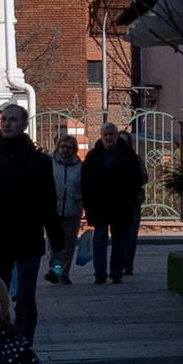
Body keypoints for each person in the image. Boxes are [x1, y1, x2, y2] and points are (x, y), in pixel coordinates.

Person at [0, 99, 54, 335]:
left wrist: (58, 241)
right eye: (4, 120)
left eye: (13, 120)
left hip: (29, 238)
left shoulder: (40, 162)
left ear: (24, 124)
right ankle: (1, 339)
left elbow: (48, 202)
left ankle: (23, 344)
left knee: (25, 295)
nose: (6, 124)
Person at [80, 123, 144, 287]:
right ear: (101, 136)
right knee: (99, 240)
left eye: (111, 135)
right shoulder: (93, 155)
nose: (108, 138)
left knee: (119, 241)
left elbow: (136, 179)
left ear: (116, 136)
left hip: (121, 205)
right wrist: (87, 205)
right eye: (105, 135)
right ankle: (100, 273)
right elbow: (85, 182)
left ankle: (116, 272)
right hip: (99, 206)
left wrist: (130, 199)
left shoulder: (127, 155)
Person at [45, 128, 84, 287]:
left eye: (68, 147)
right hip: (52, 210)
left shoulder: (79, 166)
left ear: (74, 149)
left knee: (68, 246)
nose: (65, 150)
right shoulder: (49, 162)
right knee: (53, 245)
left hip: (72, 209)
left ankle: (62, 274)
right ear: (57, 147)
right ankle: (54, 271)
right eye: (62, 146)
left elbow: (84, 186)